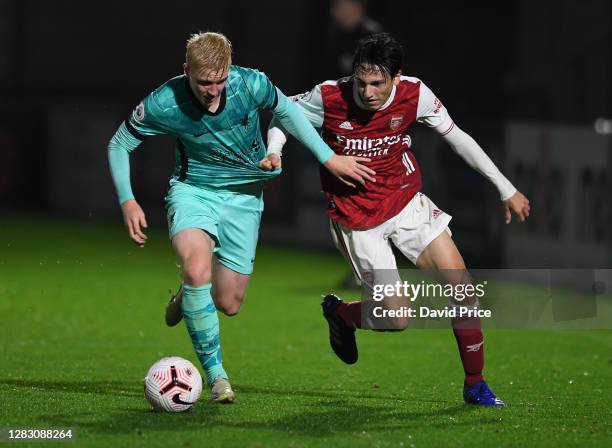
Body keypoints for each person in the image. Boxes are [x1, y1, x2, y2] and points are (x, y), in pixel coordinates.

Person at [107, 32, 375, 404]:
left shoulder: (252, 84)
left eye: (219, 81)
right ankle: (217, 376)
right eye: (203, 82)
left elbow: (288, 112)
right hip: (193, 191)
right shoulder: (165, 102)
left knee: (229, 302)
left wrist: (325, 157)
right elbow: (120, 143)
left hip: (244, 198)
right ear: (186, 71)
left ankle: (189, 296)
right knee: (197, 267)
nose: (212, 91)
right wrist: (128, 201)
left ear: (229, 70)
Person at [266, 33, 530, 406]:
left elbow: (458, 138)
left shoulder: (415, 94)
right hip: (358, 218)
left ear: (396, 77)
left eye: (377, 83)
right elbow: (281, 114)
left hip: (405, 201)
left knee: (463, 291)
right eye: (361, 82)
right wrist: (274, 151)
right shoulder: (328, 97)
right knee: (397, 318)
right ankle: (341, 315)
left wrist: (505, 187)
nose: (368, 92)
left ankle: (475, 384)